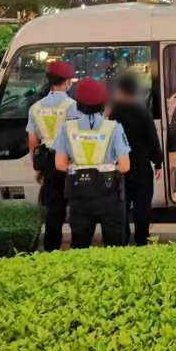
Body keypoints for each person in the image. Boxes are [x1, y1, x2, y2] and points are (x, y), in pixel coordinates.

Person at [54, 78, 131, 248]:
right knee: (115, 248)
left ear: (78, 104)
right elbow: (125, 166)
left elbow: (60, 164)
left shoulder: (67, 128)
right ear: (104, 103)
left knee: (80, 247)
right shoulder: (114, 128)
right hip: (109, 195)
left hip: (79, 195)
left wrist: (80, 169)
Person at [27, 61, 78, 252]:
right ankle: (78, 249)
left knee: (53, 212)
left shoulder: (35, 107)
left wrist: (37, 166)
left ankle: (51, 251)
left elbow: (32, 140)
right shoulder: (72, 106)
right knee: (76, 210)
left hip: (48, 163)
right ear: (67, 82)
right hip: (69, 162)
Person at [110, 71, 163, 246]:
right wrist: (158, 163)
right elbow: (152, 140)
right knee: (142, 210)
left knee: (121, 210)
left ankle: (123, 243)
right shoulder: (142, 112)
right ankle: (141, 243)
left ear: (119, 90)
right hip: (141, 170)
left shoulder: (111, 113)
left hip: (118, 170)